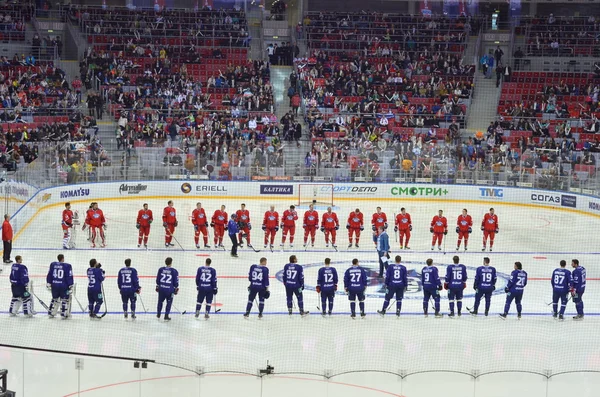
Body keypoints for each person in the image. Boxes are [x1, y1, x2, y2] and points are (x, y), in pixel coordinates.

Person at [46, 254, 74, 318]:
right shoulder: (67, 266)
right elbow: (69, 276)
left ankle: (51, 312)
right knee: (65, 299)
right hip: (63, 285)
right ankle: (64, 314)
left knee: (55, 299)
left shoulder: (53, 265)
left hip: (54, 285)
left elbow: (50, 274)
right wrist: (70, 285)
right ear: (63, 258)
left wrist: (48, 282)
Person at [156, 257, 179, 321]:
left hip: (162, 289)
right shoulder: (174, 271)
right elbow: (176, 282)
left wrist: (158, 286)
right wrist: (176, 288)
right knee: (169, 303)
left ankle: (158, 314)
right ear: (171, 263)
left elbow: (158, 280)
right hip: (169, 290)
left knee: (160, 301)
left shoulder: (161, 269)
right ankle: (166, 315)